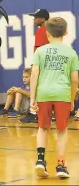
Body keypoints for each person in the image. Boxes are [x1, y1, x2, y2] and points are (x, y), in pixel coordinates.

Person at [30, 17, 79, 178]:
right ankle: (61, 165)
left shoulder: (40, 51)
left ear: (47, 32)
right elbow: (75, 80)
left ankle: (40, 160)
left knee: (43, 128)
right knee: (62, 130)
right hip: (62, 94)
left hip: (43, 93)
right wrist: (72, 99)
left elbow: (34, 75)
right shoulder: (71, 53)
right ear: (65, 32)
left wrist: (33, 97)